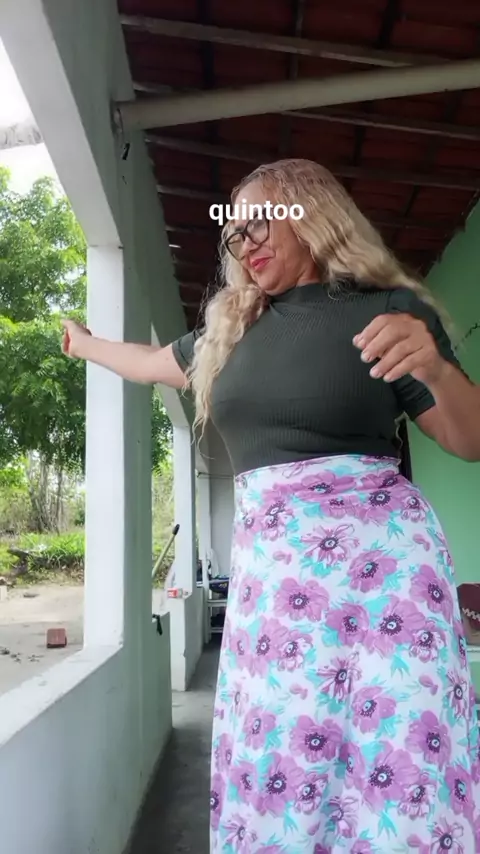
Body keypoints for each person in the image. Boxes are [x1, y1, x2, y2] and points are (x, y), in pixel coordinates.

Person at [62, 159, 480, 854]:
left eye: (261, 223)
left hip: (384, 584)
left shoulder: (385, 312)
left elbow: (468, 440)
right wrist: (84, 344)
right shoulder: (228, 334)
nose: (245, 242)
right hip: (276, 590)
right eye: (235, 234)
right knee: (282, 764)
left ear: (313, 216)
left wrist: (434, 367)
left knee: (395, 756)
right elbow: (146, 362)